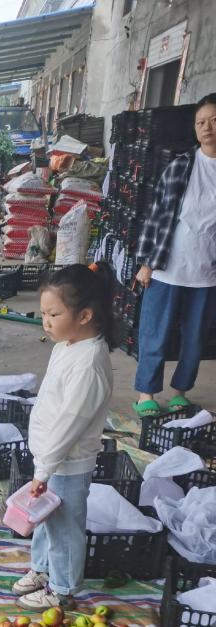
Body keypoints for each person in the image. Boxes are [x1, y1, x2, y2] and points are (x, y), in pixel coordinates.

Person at [12, 264, 115, 611]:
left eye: (54, 313)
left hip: (66, 463)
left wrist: (43, 471)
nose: (46, 321)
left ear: (85, 315)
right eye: (43, 313)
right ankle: (42, 569)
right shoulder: (68, 345)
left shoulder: (88, 365)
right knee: (46, 518)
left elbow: (69, 423)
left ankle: (63, 589)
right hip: (51, 458)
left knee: (65, 526)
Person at [133, 93, 216, 415]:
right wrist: (146, 263)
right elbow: (156, 216)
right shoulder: (180, 167)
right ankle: (146, 394)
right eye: (201, 122)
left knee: (195, 339)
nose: (207, 127)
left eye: (214, 121)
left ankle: (181, 390)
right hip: (168, 266)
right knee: (155, 332)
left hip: (206, 274)